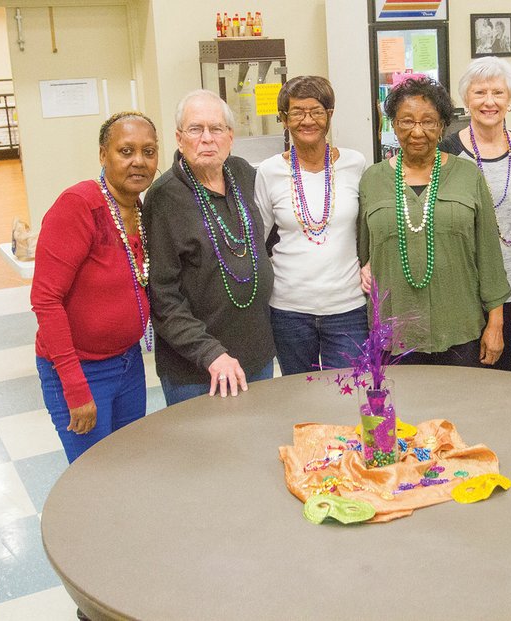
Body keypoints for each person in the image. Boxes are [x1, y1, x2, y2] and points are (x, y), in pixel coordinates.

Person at [31, 111, 158, 463]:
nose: (138, 161)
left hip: (129, 364)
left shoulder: (140, 210)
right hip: (81, 371)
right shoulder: (79, 205)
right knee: (93, 478)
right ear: (103, 155)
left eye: (149, 152)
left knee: (127, 466)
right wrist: (74, 385)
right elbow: (45, 299)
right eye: (126, 151)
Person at [359, 75, 510, 366]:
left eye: (428, 121)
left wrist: (496, 324)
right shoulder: (372, 180)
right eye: (406, 121)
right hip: (394, 334)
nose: (417, 131)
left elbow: (490, 257)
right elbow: (363, 252)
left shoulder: (468, 176)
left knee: (460, 410)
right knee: (403, 411)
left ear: (441, 126)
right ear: (393, 124)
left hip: (459, 329)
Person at [143, 90, 275, 405]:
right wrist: (211, 354)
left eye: (216, 129)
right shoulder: (164, 198)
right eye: (195, 129)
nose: (207, 139)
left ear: (230, 137)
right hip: (196, 370)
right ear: (179, 138)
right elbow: (164, 298)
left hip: (256, 357)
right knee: (205, 454)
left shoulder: (243, 174)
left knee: (255, 448)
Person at [254, 76, 368, 375]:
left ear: (329, 115)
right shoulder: (269, 171)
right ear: (284, 119)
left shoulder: (355, 164)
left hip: (347, 307)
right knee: (298, 397)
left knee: (347, 395)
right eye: (297, 112)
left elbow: (369, 231)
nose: (308, 120)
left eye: (316, 111)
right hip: (289, 309)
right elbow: (257, 240)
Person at [439, 56, 511, 372]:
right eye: (479, 93)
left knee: (509, 389)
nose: (489, 102)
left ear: (509, 100)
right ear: (465, 99)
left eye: (498, 93)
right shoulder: (446, 152)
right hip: (463, 293)